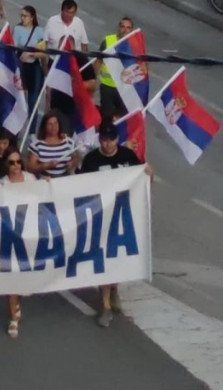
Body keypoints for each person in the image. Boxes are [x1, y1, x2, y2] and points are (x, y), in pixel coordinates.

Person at [79, 120, 149, 327]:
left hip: (123, 216)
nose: (107, 144)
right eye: (103, 140)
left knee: (117, 257)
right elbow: (80, 187)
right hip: (101, 216)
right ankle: (106, 305)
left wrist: (148, 173)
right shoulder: (91, 159)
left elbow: (141, 178)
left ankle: (114, 288)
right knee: (103, 258)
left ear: (117, 139)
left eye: (111, 140)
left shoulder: (127, 156)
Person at [0, 146, 37, 336]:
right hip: (9, 235)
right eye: (12, 162)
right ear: (6, 164)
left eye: (18, 162)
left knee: (24, 275)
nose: (16, 166)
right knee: (11, 276)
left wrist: (47, 184)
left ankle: (18, 301)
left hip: (29, 234)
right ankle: (13, 318)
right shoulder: (1, 184)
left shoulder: (31, 179)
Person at [96, 16, 135, 122]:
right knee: (107, 116)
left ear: (131, 30)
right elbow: (98, 61)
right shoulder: (108, 41)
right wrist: (93, 80)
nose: (125, 30)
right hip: (107, 85)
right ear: (119, 27)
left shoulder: (134, 46)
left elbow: (141, 66)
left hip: (123, 88)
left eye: (128, 28)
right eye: (123, 26)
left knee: (122, 118)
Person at [25, 110, 78, 177]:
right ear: (44, 126)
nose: (53, 127)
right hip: (46, 179)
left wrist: (72, 163)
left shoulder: (68, 142)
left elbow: (75, 158)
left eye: (55, 123)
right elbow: (30, 168)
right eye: (50, 124)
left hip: (65, 179)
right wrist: (45, 166)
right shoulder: (37, 145)